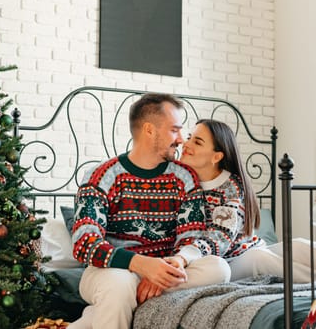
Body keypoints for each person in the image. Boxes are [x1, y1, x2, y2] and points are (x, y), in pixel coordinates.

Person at [68, 95, 230, 329]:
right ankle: (118, 298)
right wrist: (142, 265)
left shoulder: (184, 177)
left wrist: (164, 271)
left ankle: (103, 312)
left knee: (218, 268)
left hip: (163, 270)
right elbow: (84, 243)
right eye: (175, 130)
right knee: (118, 285)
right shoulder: (101, 176)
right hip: (110, 270)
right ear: (149, 130)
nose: (181, 140)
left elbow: (191, 237)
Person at [179, 119, 316, 282]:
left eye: (196, 141)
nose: (186, 144)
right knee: (258, 259)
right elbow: (217, 240)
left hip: (246, 250)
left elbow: (222, 234)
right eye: (188, 137)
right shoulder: (180, 181)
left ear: (217, 156)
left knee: (296, 245)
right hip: (222, 263)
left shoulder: (232, 185)